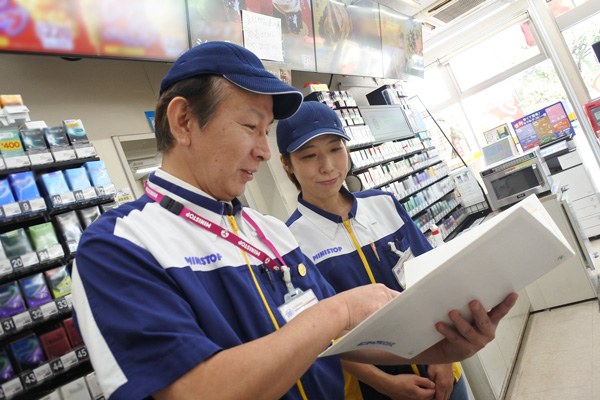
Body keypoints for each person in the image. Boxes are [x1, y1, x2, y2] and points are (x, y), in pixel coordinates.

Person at [71, 41, 517, 400]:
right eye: (251, 126)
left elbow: (342, 339)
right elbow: (191, 390)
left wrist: (436, 345)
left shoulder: (269, 231)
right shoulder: (119, 246)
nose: (264, 151)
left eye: (266, 132)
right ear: (184, 121)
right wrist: (338, 308)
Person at [276, 101, 468, 400]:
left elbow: (431, 277)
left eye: (335, 149)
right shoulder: (289, 243)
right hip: (373, 391)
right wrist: (384, 384)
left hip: (442, 371)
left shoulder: (384, 203)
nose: (327, 166)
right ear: (287, 163)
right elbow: (317, 338)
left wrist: (443, 358)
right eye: (309, 155)